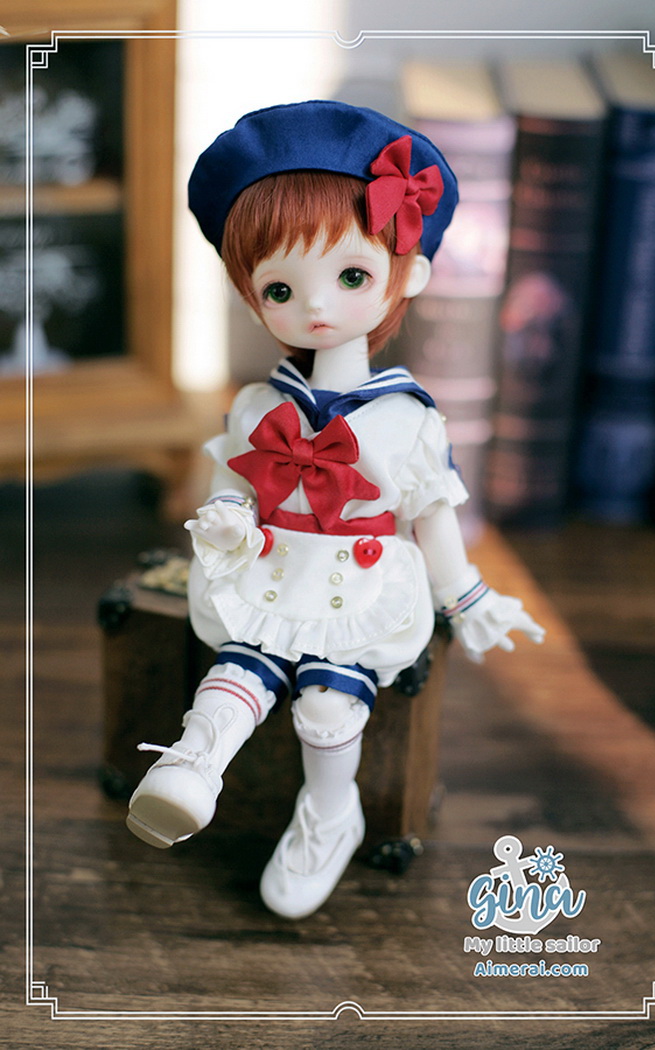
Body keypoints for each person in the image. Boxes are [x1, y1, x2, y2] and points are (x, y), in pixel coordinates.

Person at [126, 100, 545, 919]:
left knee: (326, 703)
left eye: (352, 276)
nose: (316, 308)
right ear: (253, 297)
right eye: (281, 287)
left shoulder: (408, 420)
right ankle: (191, 765)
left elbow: (432, 516)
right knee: (234, 671)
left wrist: (467, 596)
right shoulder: (258, 404)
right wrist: (226, 521)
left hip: (357, 578)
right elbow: (229, 486)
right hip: (271, 567)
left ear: (406, 275)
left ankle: (329, 813)